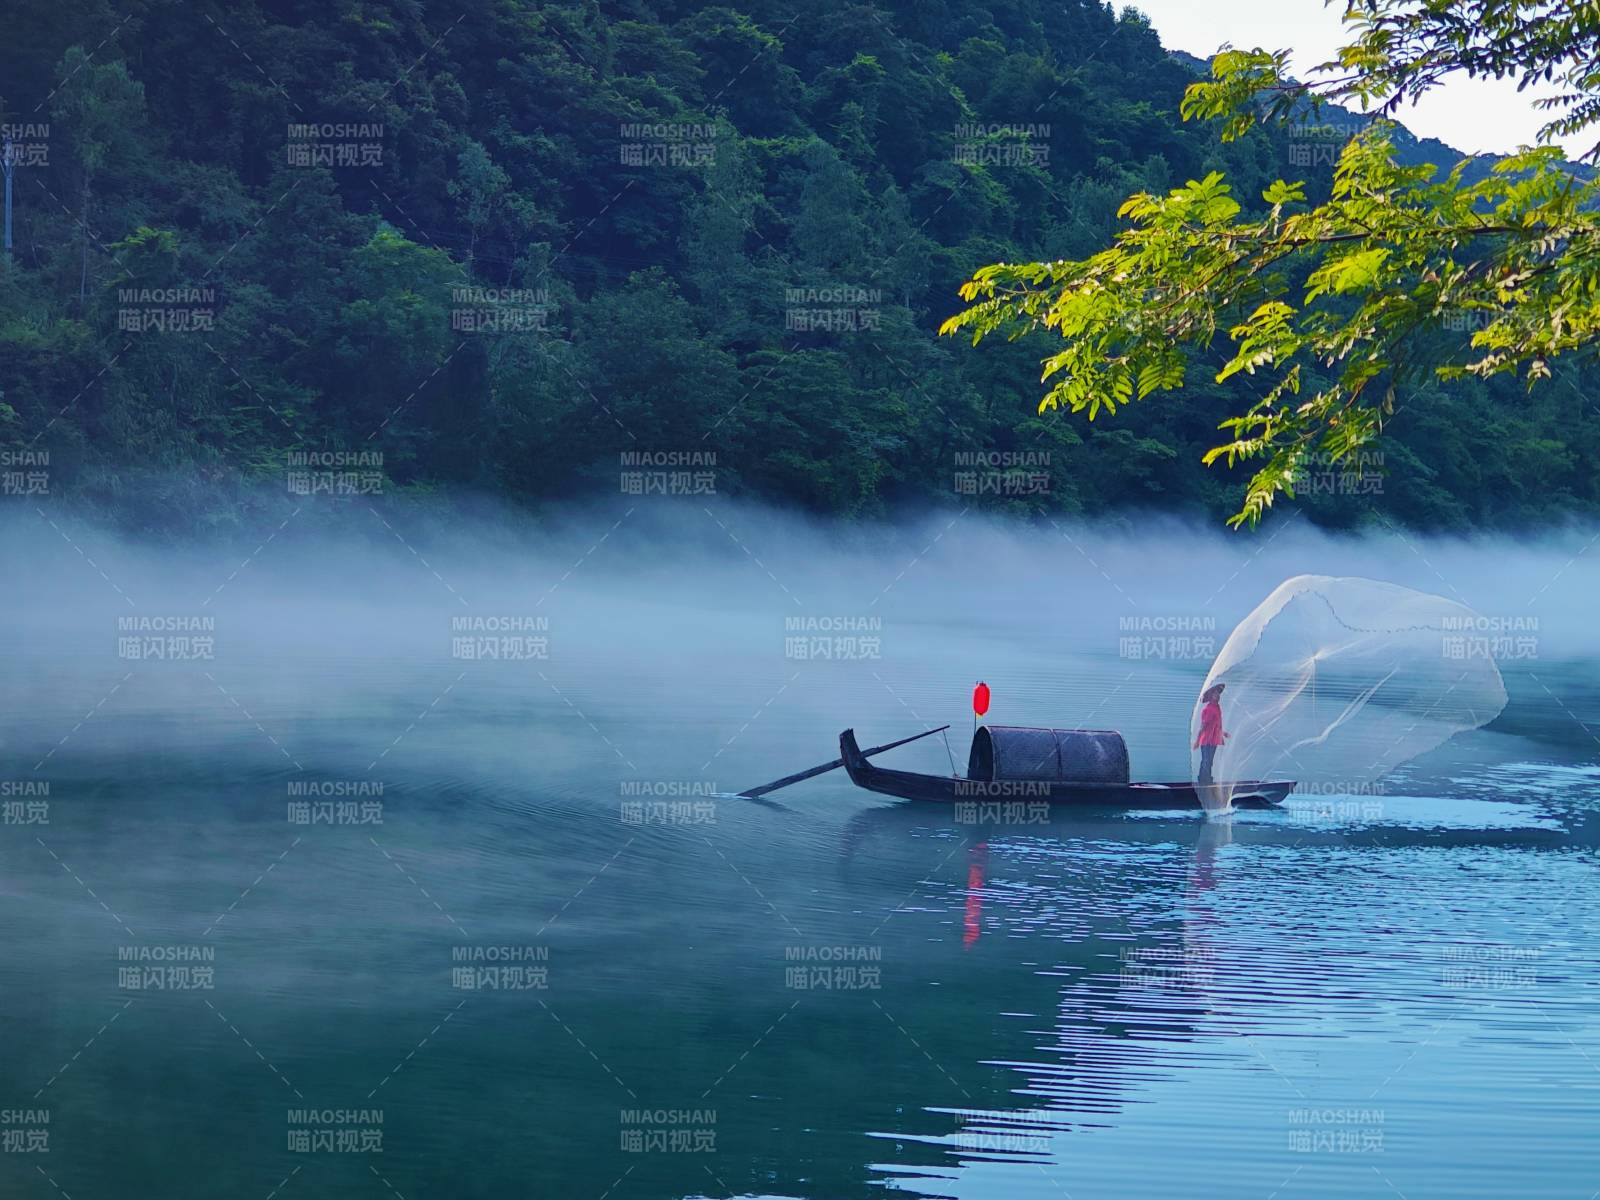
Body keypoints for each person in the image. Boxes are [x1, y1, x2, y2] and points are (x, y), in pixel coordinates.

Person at [1194, 683, 1229, 785]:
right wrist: (1197, 741)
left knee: (1209, 761)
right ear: (1210, 696)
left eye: (1218, 694)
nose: (1217, 696)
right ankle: (1203, 781)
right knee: (1206, 761)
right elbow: (1203, 726)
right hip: (1206, 740)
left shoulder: (1217, 708)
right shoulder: (1209, 709)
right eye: (1215, 694)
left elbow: (1216, 725)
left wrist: (1223, 733)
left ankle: (1207, 780)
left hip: (1213, 739)